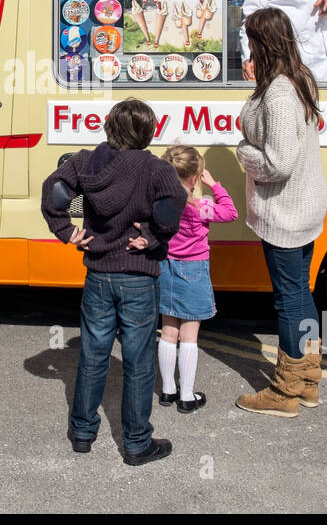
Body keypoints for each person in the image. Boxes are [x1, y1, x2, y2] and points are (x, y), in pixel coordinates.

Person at [41, 98, 187, 466]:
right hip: (138, 275)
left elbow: (54, 190)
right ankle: (137, 443)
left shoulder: (87, 161)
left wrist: (66, 230)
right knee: (139, 361)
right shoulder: (157, 170)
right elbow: (173, 209)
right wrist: (153, 236)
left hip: (99, 274)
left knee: (93, 353)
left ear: (109, 126)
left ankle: (82, 432)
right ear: (149, 131)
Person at [234, 7, 327, 417]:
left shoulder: (278, 92)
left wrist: (243, 153)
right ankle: (307, 380)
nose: (247, 46)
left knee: (289, 300)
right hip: (305, 206)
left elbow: (278, 162)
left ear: (262, 42)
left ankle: (284, 392)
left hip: (285, 214)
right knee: (301, 293)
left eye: (250, 39)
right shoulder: (299, 79)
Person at [157, 145, 237, 414]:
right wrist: (215, 185)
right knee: (189, 335)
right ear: (194, 178)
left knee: (169, 331)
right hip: (194, 270)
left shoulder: (163, 204)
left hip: (166, 268)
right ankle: (187, 396)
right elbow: (230, 212)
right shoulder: (200, 207)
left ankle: (168, 390)